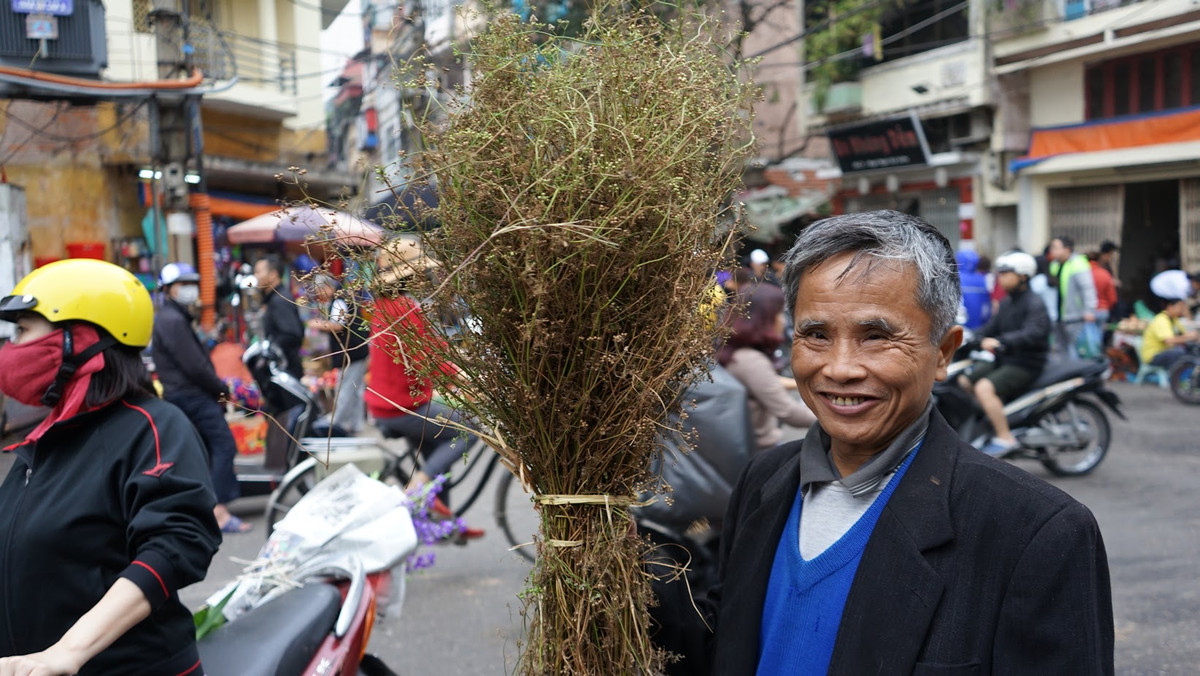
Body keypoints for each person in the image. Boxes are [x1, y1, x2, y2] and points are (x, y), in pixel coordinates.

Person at [652, 210, 1113, 674]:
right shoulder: (763, 481)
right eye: (816, 335)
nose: (840, 368)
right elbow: (724, 645)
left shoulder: (1037, 532)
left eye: (876, 337)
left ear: (944, 352)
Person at [0, 259, 220, 675]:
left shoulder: (153, 426)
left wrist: (68, 651)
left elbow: (178, 542)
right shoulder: (45, 439)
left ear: (83, 338)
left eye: (24, 331)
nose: (12, 349)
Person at [364, 239, 483, 536]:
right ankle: (417, 488)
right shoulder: (404, 307)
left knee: (437, 444)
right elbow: (429, 358)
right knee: (469, 430)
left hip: (387, 402)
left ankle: (440, 524)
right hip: (401, 406)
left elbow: (430, 351)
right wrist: (464, 381)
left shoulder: (383, 305)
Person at [151, 262, 250, 533]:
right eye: (184, 284)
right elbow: (194, 366)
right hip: (191, 395)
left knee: (206, 450)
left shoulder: (174, 318)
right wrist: (220, 388)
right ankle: (218, 512)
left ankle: (208, 508)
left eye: (192, 283)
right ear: (169, 289)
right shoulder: (171, 320)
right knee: (223, 445)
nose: (190, 289)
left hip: (189, 394)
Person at [958, 251, 1051, 456]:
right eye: (1000, 273)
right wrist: (969, 336)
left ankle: (1005, 437)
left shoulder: (1035, 303)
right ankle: (990, 418)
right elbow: (991, 327)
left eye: (1006, 273)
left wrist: (1001, 341)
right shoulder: (1008, 303)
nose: (1001, 278)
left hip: (1026, 362)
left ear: (1023, 276)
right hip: (1005, 357)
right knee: (963, 380)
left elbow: (1033, 333)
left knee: (983, 388)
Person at [716, 283, 815, 451]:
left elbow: (767, 383)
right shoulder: (751, 362)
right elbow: (789, 412)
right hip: (760, 449)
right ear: (765, 318)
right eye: (779, 314)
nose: (783, 321)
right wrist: (834, 418)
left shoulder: (734, 353)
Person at [306, 274, 370, 434]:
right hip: (357, 350)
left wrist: (317, 323)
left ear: (326, 287)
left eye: (319, 292)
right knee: (355, 389)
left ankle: (337, 424)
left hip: (351, 352)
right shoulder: (343, 296)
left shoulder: (339, 299)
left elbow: (337, 325)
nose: (319, 296)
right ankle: (356, 424)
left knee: (346, 389)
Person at [254, 255, 305, 379]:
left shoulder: (279, 300)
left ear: (273, 275)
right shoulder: (273, 299)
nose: (256, 276)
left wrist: (270, 352)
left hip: (286, 371)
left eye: (259, 272)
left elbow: (292, 334)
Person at [1048, 235, 1098, 360]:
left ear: (1067, 249)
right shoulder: (1055, 265)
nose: (1053, 251)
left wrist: (1089, 310)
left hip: (1075, 315)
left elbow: (1088, 288)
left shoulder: (1078, 263)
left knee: (1076, 348)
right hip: (1059, 315)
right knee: (1060, 348)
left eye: (1056, 247)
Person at [1141, 269, 1200, 370]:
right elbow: (1169, 341)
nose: (1181, 310)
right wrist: (1189, 333)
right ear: (1169, 307)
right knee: (1179, 353)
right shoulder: (1161, 319)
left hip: (1164, 352)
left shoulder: (1174, 320)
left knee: (1190, 350)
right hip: (1153, 355)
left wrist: (1194, 336)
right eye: (1179, 307)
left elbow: (1183, 334)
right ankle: (1175, 379)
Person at [955, 248, 991, 331]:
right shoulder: (982, 279)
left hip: (961, 325)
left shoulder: (956, 278)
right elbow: (986, 304)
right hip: (980, 325)